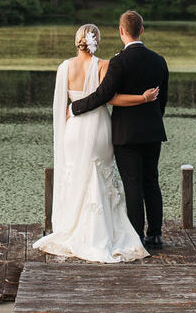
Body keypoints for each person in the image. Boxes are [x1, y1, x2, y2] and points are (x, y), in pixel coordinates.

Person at [31, 23, 158, 262]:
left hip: (73, 129)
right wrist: (142, 98)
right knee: (99, 174)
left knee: (76, 175)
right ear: (97, 41)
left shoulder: (64, 67)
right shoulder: (103, 65)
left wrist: (72, 111)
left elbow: (61, 106)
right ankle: (102, 232)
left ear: (77, 41)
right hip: (99, 127)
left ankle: (73, 227)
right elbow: (109, 98)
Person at [68, 11, 169, 250]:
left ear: (122, 31)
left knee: (133, 185)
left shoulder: (118, 62)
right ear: (141, 30)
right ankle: (155, 234)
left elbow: (104, 95)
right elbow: (162, 100)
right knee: (151, 181)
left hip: (126, 133)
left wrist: (75, 108)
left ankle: (137, 237)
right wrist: (153, 119)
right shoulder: (159, 61)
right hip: (153, 131)